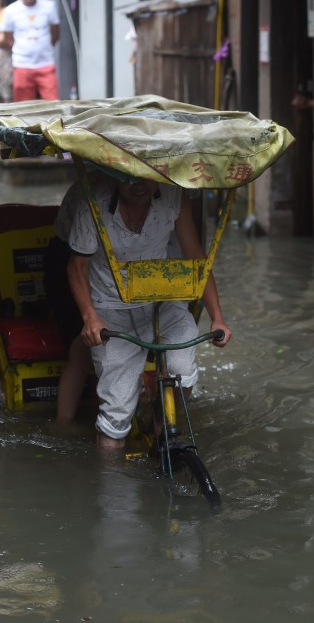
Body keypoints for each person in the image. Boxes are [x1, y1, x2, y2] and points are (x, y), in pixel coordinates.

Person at [66, 176, 231, 448]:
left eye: (145, 178)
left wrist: (218, 318)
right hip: (110, 306)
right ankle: (109, 473)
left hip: (161, 299)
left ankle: (156, 420)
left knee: (184, 371)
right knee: (114, 420)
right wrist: (90, 317)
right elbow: (77, 267)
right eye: (128, 179)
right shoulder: (92, 202)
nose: (138, 185)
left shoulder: (174, 196)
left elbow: (196, 256)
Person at [43, 179, 92, 424]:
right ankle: (63, 422)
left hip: (120, 266)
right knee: (82, 344)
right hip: (71, 262)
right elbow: (77, 266)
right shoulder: (93, 192)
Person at [2, 0, 61, 101]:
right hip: (22, 65)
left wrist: (44, 48)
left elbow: (55, 32)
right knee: (23, 105)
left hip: (46, 63)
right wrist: (22, 49)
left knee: (52, 102)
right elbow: (7, 37)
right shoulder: (11, 10)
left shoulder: (49, 6)